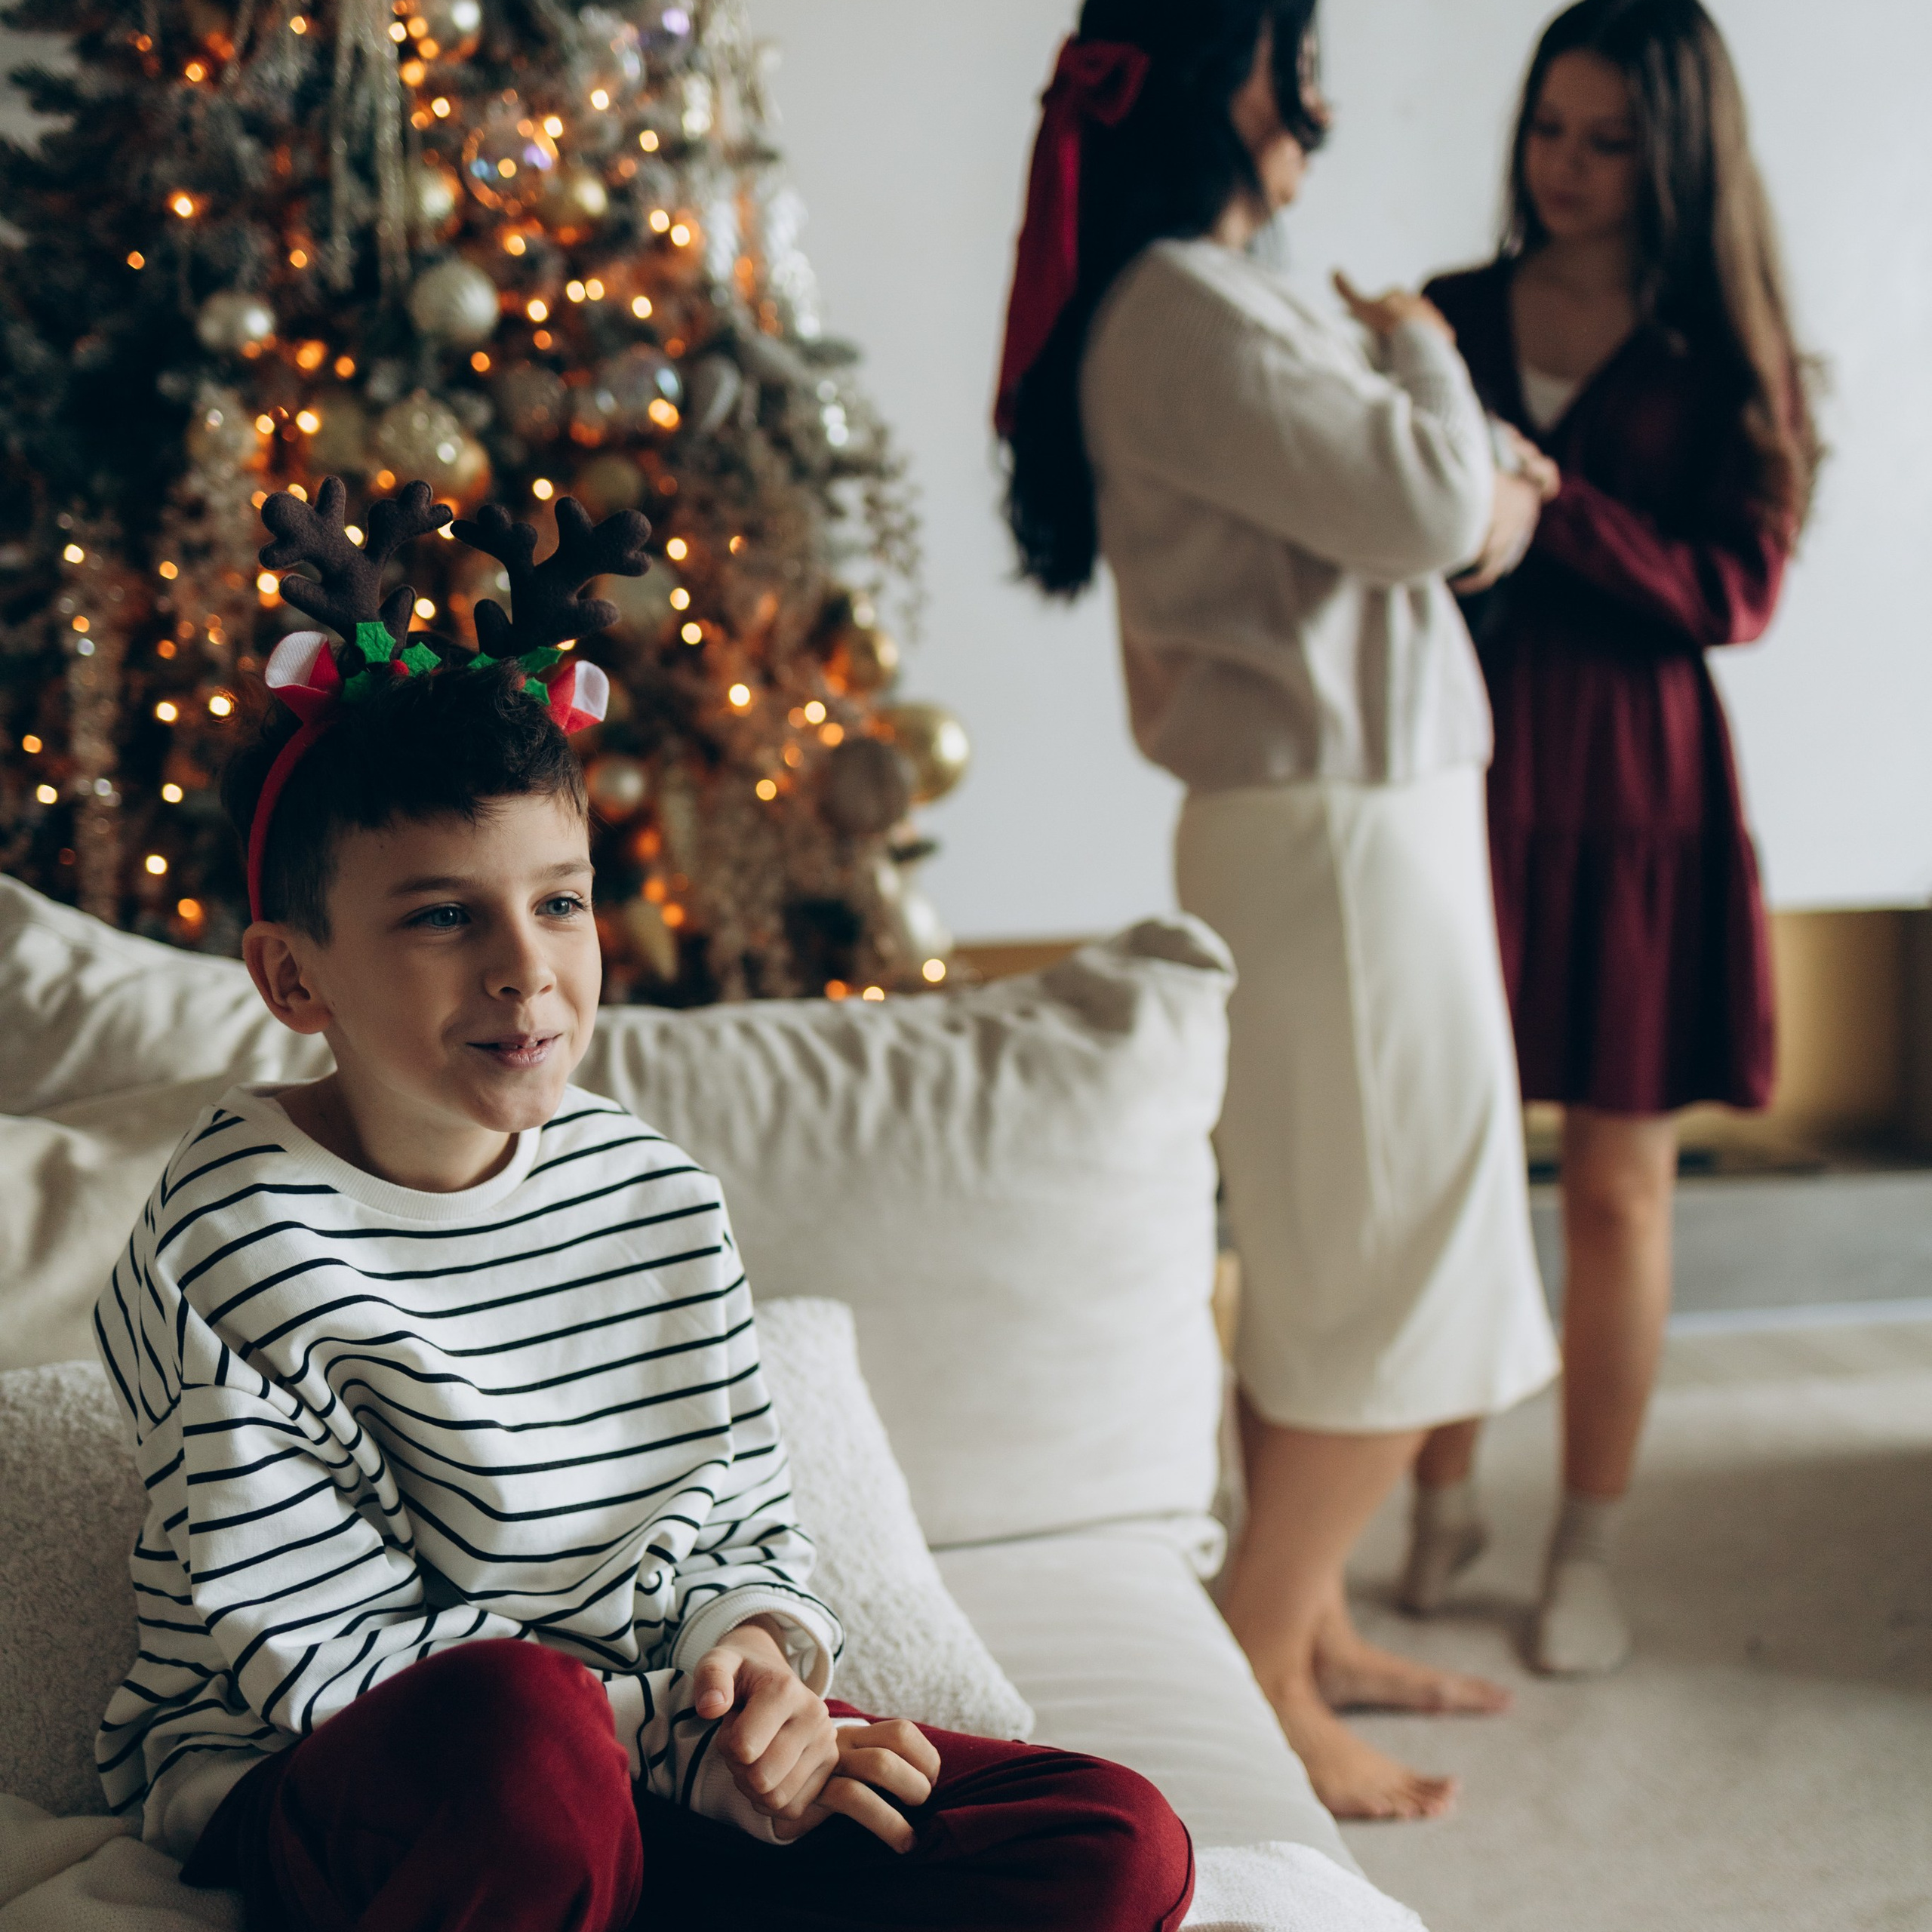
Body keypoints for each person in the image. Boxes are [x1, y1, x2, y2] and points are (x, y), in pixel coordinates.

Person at [91, 480, 1196, 1932]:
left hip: (654, 1769)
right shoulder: (229, 1234)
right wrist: (662, 1743)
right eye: (443, 916)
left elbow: (736, 1518)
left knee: (1112, 1838)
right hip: (373, 1782)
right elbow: (320, 1653)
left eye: (560, 901)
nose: (525, 970)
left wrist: (754, 1672)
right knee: (525, 1730)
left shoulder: (652, 1194)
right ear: (297, 978)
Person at [996, 1, 1559, 1821]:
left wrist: (1461, 477)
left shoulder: (1219, 295)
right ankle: (1253, 1644)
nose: (1315, 94)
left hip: (1360, 818)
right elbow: (1427, 506)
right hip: (1333, 833)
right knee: (1399, 1260)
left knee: (1348, 1253)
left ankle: (1292, 1618)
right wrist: (1427, 363)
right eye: (1287, 53)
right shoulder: (1183, 304)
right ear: (1213, 83)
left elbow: (1438, 516)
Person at [1404, 0, 1820, 1675]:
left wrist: (1547, 507)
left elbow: (1734, 592)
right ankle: (1435, 1484)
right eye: (1544, 130)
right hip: (1454, 776)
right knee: (1446, 1167)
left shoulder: (1731, 353)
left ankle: (1586, 1534)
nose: (1561, 169)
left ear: (1676, 152)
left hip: (1643, 798)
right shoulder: (1438, 321)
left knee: (1619, 1192)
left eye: (1605, 139)